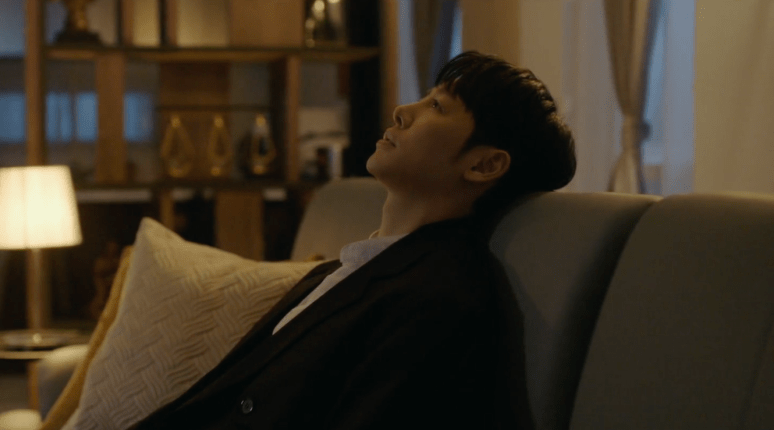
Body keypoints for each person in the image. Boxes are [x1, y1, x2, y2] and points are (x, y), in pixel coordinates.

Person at [128, 51, 577, 430]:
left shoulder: (441, 299)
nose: (402, 110)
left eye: (438, 107)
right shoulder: (356, 268)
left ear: (483, 166)